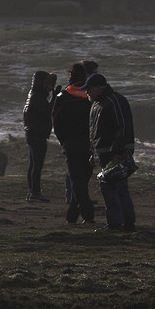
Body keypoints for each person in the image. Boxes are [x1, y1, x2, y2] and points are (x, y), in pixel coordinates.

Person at [85, 72, 136, 232]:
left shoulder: (115, 101)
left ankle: (117, 224)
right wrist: (92, 152)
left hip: (115, 154)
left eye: (90, 89)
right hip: (103, 153)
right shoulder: (96, 104)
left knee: (114, 189)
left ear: (100, 88)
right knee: (114, 189)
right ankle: (125, 223)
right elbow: (93, 132)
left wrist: (118, 152)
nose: (87, 92)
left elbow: (123, 128)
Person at [51, 62, 95, 225]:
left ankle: (87, 215)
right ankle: (72, 216)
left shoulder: (64, 97)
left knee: (77, 181)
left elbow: (56, 122)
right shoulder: (92, 97)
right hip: (91, 144)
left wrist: (64, 142)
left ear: (70, 75)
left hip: (71, 145)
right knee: (82, 181)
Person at [23, 71, 57, 202]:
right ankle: (35, 192)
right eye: (48, 84)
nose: (49, 87)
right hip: (37, 134)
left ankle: (31, 192)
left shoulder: (32, 96)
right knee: (37, 164)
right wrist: (54, 98)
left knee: (33, 164)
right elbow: (48, 111)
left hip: (32, 133)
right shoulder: (37, 97)